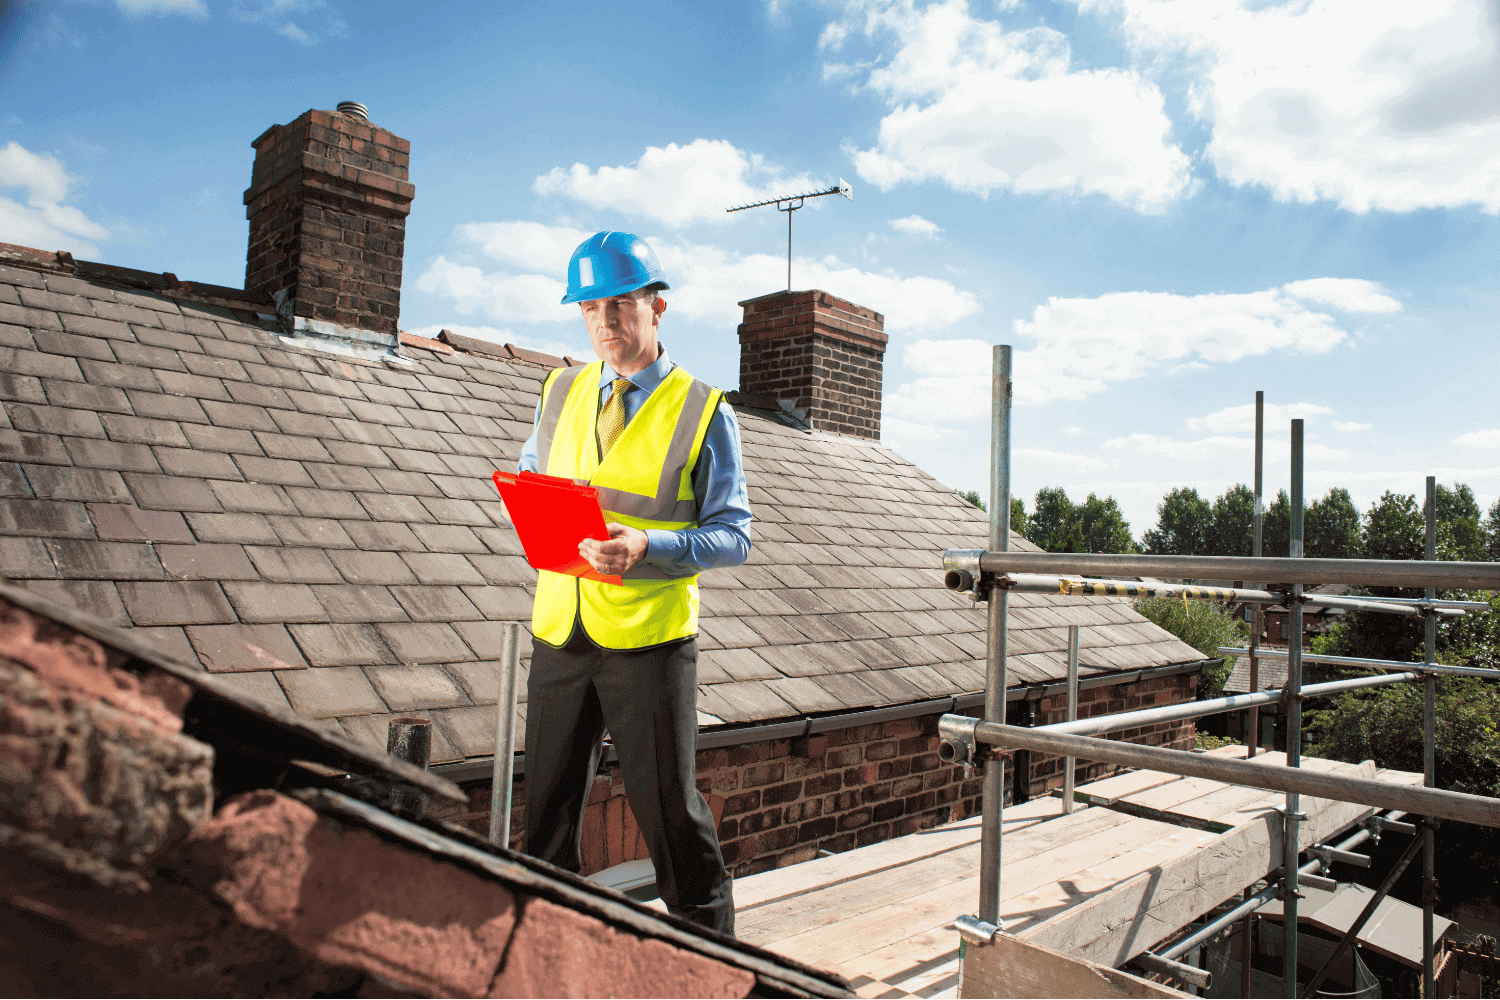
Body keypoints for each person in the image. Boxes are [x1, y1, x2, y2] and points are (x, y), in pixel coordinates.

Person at [517, 231, 751, 936]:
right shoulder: (558, 389)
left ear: (658, 308)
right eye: (589, 308)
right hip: (562, 628)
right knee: (546, 819)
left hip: (649, 643)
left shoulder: (705, 411)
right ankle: (543, 958)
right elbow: (537, 475)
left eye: (620, 304)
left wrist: (648, 546)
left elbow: (735, 535)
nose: (604, 322)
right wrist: (531, 505)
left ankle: (718, 965)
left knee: (669, 817)